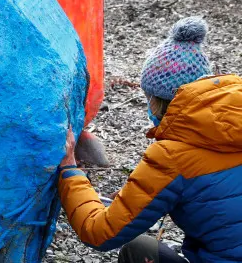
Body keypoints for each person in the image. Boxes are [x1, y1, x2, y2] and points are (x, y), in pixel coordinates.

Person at [58, 16, 242, 262]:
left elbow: (99, 232)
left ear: (156, 99)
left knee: (139, 250)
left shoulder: (172, 157)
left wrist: (70, 172)